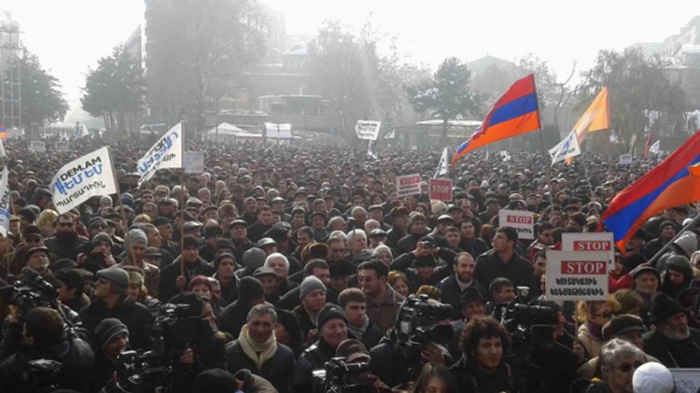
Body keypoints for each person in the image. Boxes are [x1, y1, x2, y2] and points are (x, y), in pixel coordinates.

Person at [0, 307, 94, 393]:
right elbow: (76, 333)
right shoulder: (83, 351)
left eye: (24, 330)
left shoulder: (17, 366)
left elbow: (3, 364)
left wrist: (13, 330)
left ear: (31, 339)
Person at [80, 267, 154, 350]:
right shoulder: (87, 312)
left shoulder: (141, 314)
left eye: (102, 282)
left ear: (116, 287)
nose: (96, 284)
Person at [226, 304, 295, 393]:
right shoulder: (229, 353)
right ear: (247, 325)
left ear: (273, 326)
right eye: (256, 324)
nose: (260, 330)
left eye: (266, 325)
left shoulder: (286, 355)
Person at [450, 316, 519, 393]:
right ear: (472, 350)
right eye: (486, 346)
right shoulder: (455, 378)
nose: (494, 351)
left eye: (497, 345)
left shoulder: (513, 374)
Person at [292, 304, 348, 393]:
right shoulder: (308, 358)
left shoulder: (355, 351)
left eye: (342, 325)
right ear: (321, 332)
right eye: (332, 327)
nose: (339, 331)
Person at [473, 227, 539, 300]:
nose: (494, 240)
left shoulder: (525, 267)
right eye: (495, 237)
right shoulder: (482, 262)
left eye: (500, 237)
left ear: (510, 243)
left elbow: (532, 294)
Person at [643, 292, 700, 368]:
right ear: (661, 324)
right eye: (676, 318)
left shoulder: (696, 337)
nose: (682, 322)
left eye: (683, 316)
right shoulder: (648, 345)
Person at [159, 235, 215, 302]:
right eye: (187, 249)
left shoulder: (208, 270)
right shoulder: (168, 271)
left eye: (194, 249)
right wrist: (176, 287)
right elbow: (163, 296)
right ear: (181, 251)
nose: (192, 252)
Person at [358, 260, 406, 332]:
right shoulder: (355, 303)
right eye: (360, 279)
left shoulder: (401, 303)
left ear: (382, 280)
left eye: (368, 279)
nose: (363, 283)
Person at [438, 252, 487, 320]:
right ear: (455, 267)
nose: (467, 270)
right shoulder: (442, 288)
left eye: (471, 266)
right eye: (464, 266)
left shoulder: (481, 289)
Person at [90, 318, 130, 392]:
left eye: (124, 337)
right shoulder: (95, 369)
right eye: (115, 340)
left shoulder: (133, 359)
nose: (122, 343)